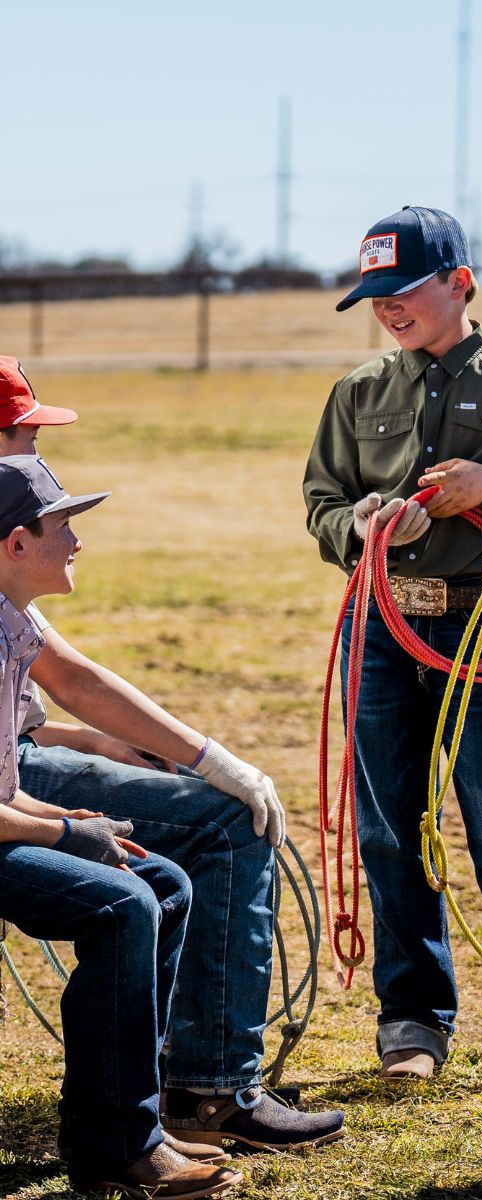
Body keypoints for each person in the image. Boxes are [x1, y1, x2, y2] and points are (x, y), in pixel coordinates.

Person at [0, 356, 346, 1154]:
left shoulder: (10, 535)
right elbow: (71, 677)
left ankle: (152, 1091)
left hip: (19, 760)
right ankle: (207, 1089)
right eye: (22, 433)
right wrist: (209, 766)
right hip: (10, 783)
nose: (34, 450)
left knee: (168, 864)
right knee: (222, 825)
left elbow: (54, 682)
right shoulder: (8, 531)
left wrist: (88, 741)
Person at [303, 206, 482, 1095]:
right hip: (383, 625)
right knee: (389, 827)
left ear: (460, 284)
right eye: (374, 296)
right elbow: (321, 503)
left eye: (404, 291)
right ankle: (413, 1022)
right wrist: (358, 527)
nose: (387, 308)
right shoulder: (360, 393)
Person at [0, 455, 241, 1198]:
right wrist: (68, 838)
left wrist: (64, 814)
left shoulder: (14, 624)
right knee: (123, 902)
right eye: (63, 525)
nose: (76, 542)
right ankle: (117, 1145)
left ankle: (118, 1120)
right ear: (15, 542)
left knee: (162, 883)